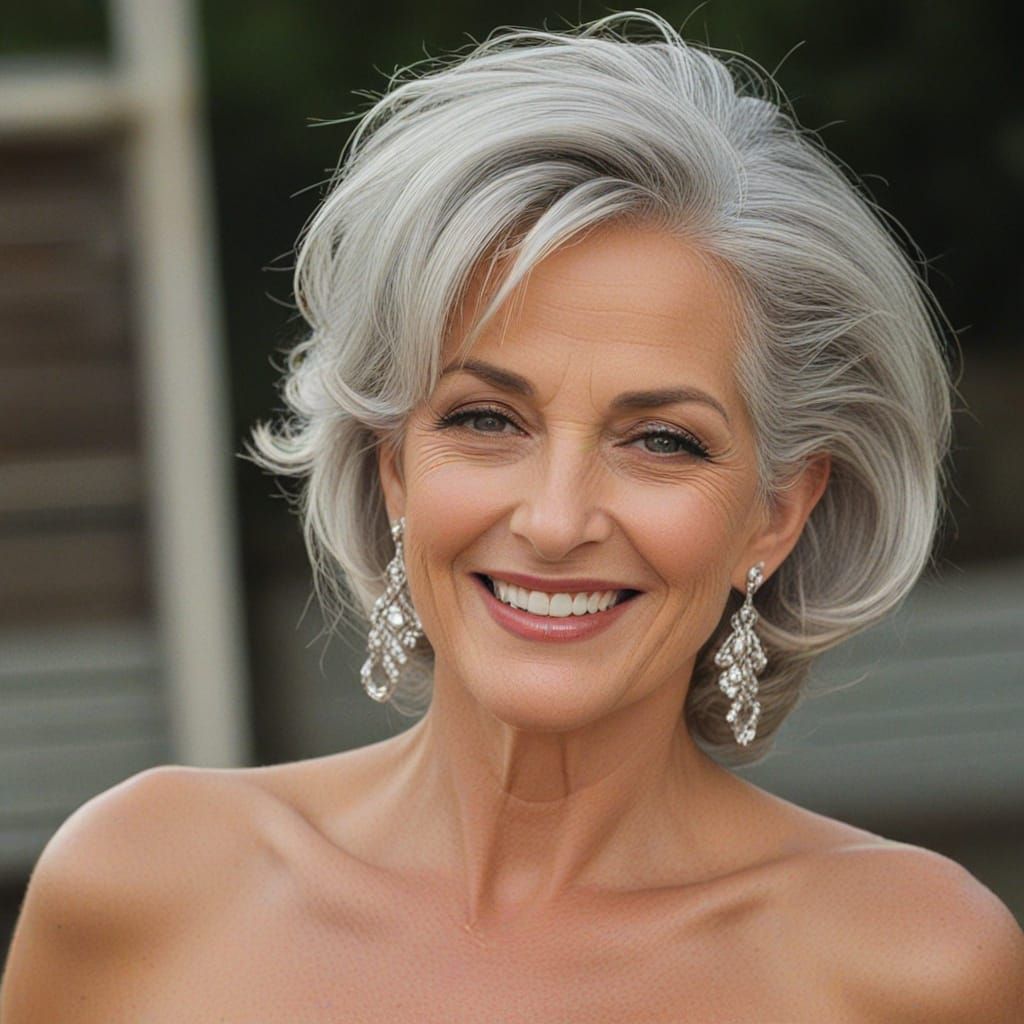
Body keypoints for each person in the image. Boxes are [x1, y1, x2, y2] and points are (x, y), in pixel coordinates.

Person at [3, 10, 1022, 1022]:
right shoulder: (141, 884)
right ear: (391, 461)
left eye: (660, 440)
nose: (553, 517)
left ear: (776, 512)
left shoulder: (911, 965)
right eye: (487, 418)